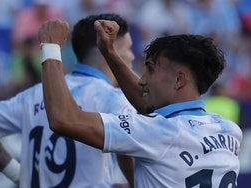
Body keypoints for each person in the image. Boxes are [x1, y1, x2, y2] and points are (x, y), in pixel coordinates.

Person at [39, 19, 243, 187]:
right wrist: (109, 52)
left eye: (151, 69)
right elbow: (149, 106)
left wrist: (50, 46)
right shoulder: (229, 130)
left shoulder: (157, 131)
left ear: (179, 80)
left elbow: (63, 119)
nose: (142, 80)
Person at [0, 13, 136, 188]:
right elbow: (132, 153)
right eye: (129, 49)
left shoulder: (34, 94)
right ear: (110, 50)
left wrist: (19, 175)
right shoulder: (115, 100)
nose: (132, 56)